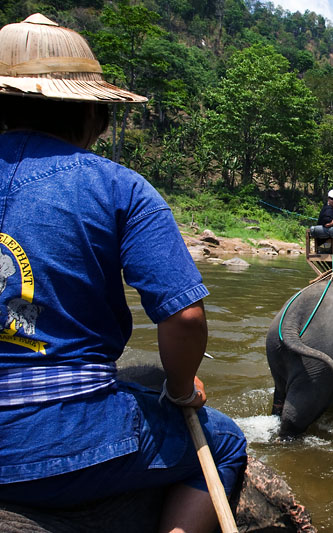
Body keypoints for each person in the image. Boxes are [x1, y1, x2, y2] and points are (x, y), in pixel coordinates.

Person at [0, 14, 246, 532]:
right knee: (225, 443)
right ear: (94, 114)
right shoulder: (118, 186)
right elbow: (183, 317)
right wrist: (180, 387)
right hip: (61, 435)